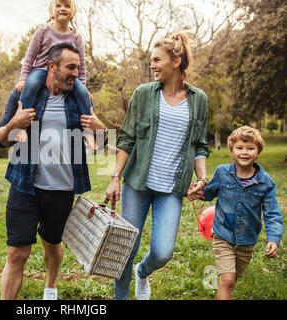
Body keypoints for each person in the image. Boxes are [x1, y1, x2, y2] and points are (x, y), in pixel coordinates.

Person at [0, 42, 107, 300]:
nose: (76, 74)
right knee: (16, 253)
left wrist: (101, 130)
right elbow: (0, 139)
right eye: (70, 67)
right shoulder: (25, 96)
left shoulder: (80, 100)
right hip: (25, 185)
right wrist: (15, 124)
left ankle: (50, 286)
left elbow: (99, 145)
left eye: (78, 68)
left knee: (51, 243)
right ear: (52, 66)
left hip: (62, 189)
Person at [105, 31, 210, 300]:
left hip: (171, 188)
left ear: (176, 61)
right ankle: (121, 297)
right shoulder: (143, 94)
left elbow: (199, 144)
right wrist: (115, 177)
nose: (152, 65)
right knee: (126, 247)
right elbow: (127, 137)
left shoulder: (198, 100)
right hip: (138, 183)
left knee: (163, 251)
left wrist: (202, 177)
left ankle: (143, 272)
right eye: (151, 60)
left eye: (157, 60)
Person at [191, 126, 283, 300]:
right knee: (227, 279)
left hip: (246, 241)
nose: (244, 152)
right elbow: (209, 192)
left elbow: (273, 214)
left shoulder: (266, 183)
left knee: (233, 279)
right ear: (232, 151)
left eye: (250, 148)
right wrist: (197, 192)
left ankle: (220, 282)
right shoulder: (222, 173)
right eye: (239, 148)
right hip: (222, 235)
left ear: (258, 153)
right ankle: (222, 282)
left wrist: (273, 238)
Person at [14, 0, 97, 150]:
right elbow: (29, 57)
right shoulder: (43, 31)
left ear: (72, 11)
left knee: (84, 94)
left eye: (66, 6)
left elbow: (82, 65)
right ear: (52, 10)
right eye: (58, 6)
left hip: (67, 74)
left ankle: (88, 130)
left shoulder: (76, 36)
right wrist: (23, 78)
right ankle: (22, 127)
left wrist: (83, 86)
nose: (62, 9)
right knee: (30, 85)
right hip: (41, 70)